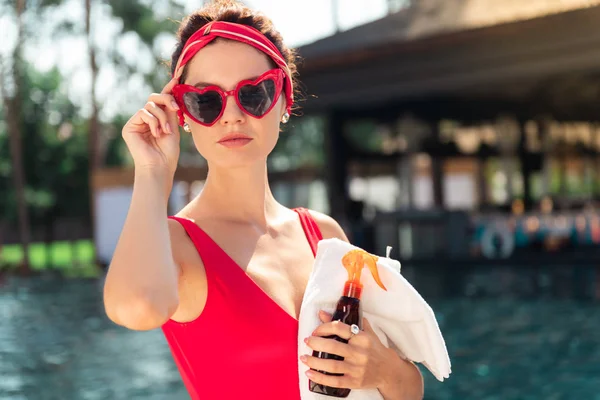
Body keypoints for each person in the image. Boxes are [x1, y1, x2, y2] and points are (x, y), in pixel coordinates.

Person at [102, 1, 423, 399]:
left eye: (254, 93)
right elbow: (135, 308)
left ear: (284, 101)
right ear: (182, 113)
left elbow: (406, 387)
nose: (233, 114)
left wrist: (385, 369)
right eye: (206, 100)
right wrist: (153, 174)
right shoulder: (176, 245)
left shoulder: (323, 236)